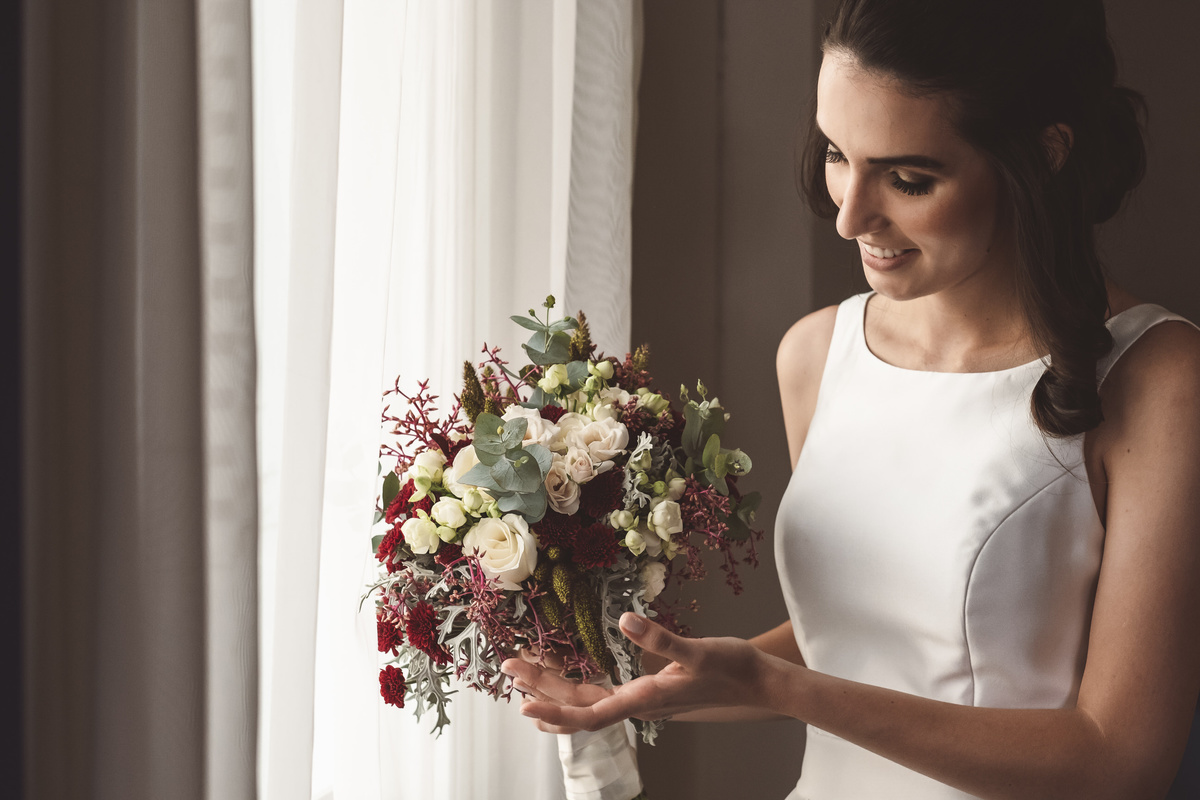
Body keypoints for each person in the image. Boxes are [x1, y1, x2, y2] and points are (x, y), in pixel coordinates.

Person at [501, 1, 1200, 797]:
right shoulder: (815, 353)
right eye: (837, 154)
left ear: (1043, 156)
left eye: (907, 178)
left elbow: (1120, 757)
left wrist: (780, 689)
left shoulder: (1158, 375)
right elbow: (857, 642)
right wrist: (653, 671)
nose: (848, 216)